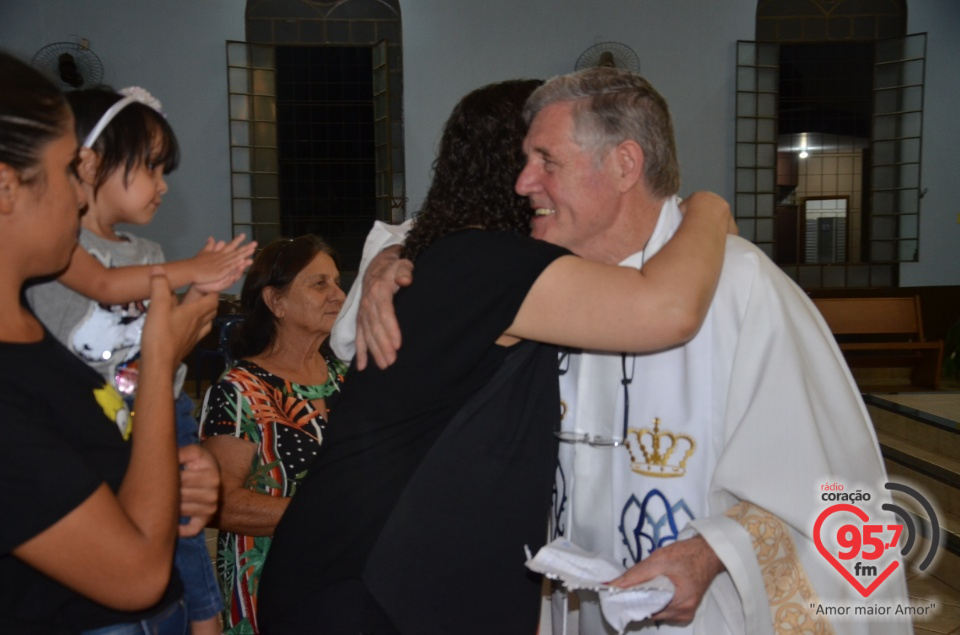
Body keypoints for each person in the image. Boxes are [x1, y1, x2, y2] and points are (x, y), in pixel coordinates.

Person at [348, 68, 913, 635]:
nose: (523, 183)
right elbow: (436, 239)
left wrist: (711, 554)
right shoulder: (541, 281)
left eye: (547, 161)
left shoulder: (742, 289)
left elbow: (828, 483)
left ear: (624, 164)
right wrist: (384, 262)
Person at [256, 78, 732, 635]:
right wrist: (709, 206)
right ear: (504, 170)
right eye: (530, 158)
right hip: (364, 585)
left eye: (547, 160)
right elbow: (667, 309)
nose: (535, 179)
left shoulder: (454, 258)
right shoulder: (486, 265)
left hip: (373, 574)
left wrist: (393, 252)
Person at [0, 50, 220, 633]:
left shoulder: (32, 335)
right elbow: (134, 574)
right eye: (69, 168)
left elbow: (91, 471)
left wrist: (174, 472)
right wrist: (159, 360)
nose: (80, 192)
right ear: (5, 187)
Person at [198, 235, 348, 635]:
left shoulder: (349, 382)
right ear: (275, 301)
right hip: (269, 588)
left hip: (345, 583)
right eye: (319, 284)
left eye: (336, 282)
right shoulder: (240, 390)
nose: (338, 294)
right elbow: (217, 503)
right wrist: (325, 518)